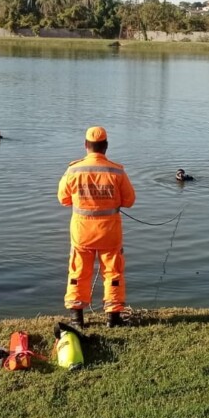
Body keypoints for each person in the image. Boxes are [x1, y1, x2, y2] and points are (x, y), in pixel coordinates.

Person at [58, 126, 136, 328]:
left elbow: (63, 199)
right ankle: (113, 319)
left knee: (78, 272)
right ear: (106, 146)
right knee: (113, 273)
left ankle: (77, 320)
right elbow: (129, 201)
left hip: (82, 232)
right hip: (109, 233)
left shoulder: (74, 170)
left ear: (86, 146)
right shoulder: (116, 171)